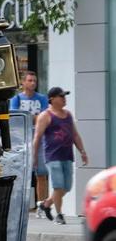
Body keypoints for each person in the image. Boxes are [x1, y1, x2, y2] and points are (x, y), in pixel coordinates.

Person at [32, 87, 89, 224]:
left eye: (64, 96)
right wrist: (34, 157)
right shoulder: (45, 116)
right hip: (52, 156)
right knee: (58, 186)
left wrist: (82, 151)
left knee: (66, 187)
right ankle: (59, 215)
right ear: (52, 99)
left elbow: (75, 134)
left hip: (67, 155)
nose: (64, 98)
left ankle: (45, 204)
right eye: (61, 96)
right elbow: (37, 137)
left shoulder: (68, 115)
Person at [9, 71, 49, 209]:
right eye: (30, 80)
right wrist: (35, 117)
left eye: (34, 81)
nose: (33, 83)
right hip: (22, 140)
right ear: (23, 82)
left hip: (40, 140)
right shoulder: (17, 99)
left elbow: (44, 118)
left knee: (42, 174)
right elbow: (14, 118)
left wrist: (27, 116)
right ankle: (20, 206)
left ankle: (42, 206)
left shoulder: (42, 98)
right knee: (21, 175)